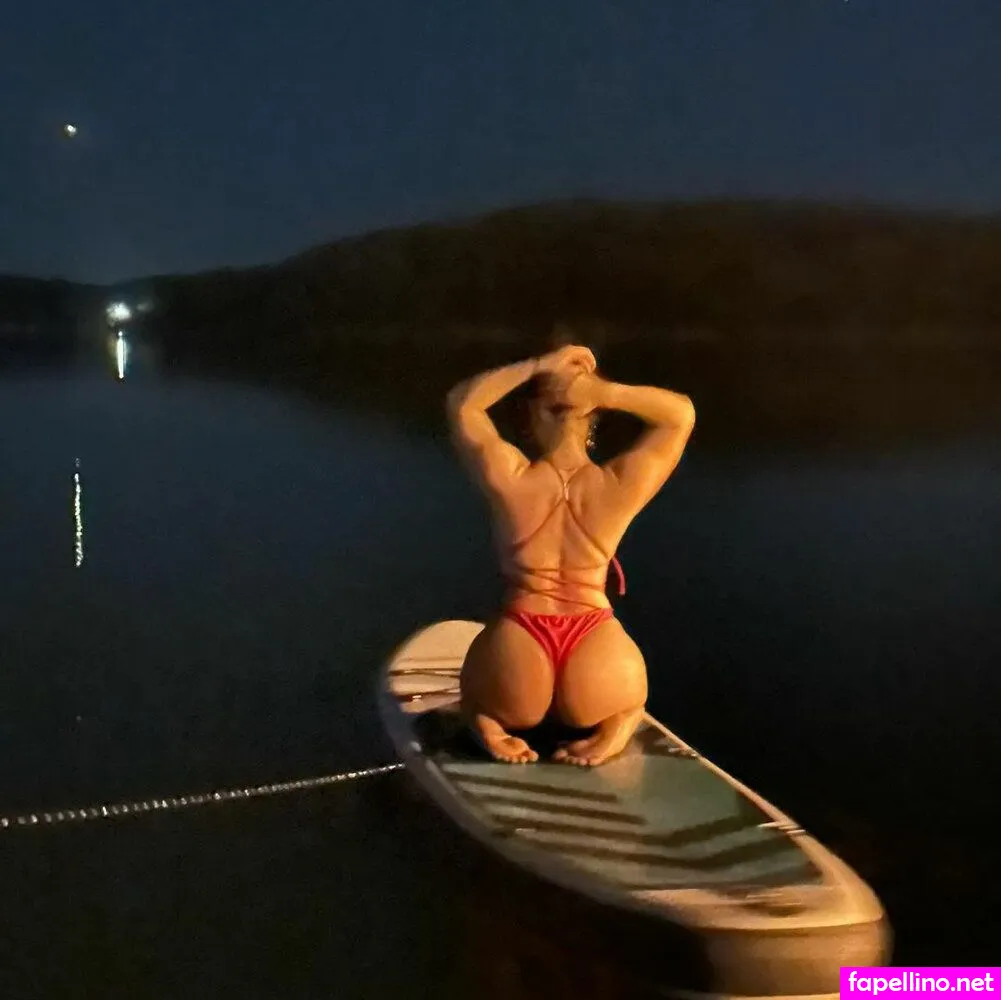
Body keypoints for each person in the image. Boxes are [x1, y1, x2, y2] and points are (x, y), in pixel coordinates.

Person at [446, 341, 696, 766]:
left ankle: (486, 721)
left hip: (518, 647)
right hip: (595, 653)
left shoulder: (510, 474)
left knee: (477, 700)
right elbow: (680, 415)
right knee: (629, 701)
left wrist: (538, 366)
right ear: (592, 419)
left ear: (530, 420)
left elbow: (463, 404)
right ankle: (618, 723)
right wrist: (602, 392)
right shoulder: (619, 484)